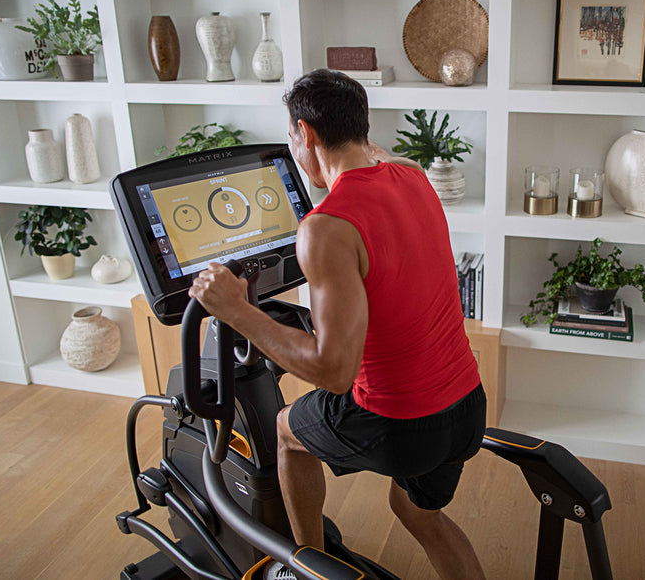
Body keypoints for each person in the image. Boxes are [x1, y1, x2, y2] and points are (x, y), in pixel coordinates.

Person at [188, 68, 487, 579]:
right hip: (465, 408)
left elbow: (333, 372)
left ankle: (310, 571)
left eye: (292, 136)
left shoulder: (325, 227)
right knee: (416, 511)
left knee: (285, 430)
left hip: (400, 425)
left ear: (305, 133)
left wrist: (236, 309)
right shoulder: (414, 176)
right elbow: (378, 155)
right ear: (362, 127)